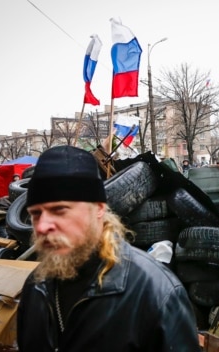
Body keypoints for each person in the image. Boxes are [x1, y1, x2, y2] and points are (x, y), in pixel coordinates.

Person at [17, 146, 199, 351]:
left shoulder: (155, 292)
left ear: (99, 209)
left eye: (59, 210)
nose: (42, 226)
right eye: (36, 214)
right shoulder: (35, 287)